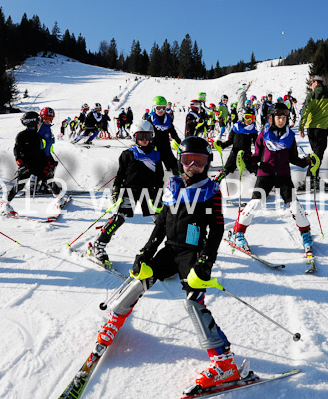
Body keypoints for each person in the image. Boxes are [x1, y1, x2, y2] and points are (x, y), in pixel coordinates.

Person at [94, 136, 244, 390]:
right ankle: (115, 320)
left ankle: (224, 363)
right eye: (188, 160)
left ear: (207, 164)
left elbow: (217, 230)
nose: (192, 167)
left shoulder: (210, 192)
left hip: (191, 254)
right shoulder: (173, 186)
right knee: (141, 277)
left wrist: (205, 262)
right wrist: (146, 251)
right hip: (170, 249)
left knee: (193, 301)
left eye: (199, 162)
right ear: (180, 160)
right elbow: (162, 223)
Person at [229, 103, 314, 254]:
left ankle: (306, 233)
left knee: (294, 205)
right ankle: (238, 232)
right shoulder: (263, 135)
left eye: (284, 118)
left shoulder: (290, 137)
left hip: (283, 175)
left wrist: (307, 161)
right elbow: (256, 155)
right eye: (278, 117)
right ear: (271, 118)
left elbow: (294, 158)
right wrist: (247, 160)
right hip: (265, 174)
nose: (281, 120)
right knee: (255, 204)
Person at [89, 119, 164, 267]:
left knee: (161, 222)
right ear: (134, 137)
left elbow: (159, 178)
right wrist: (116, 191)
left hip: (149, 193)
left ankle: (173, 251)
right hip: (129, 191)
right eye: (140, 136)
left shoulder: (156, 156)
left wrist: (159, 194)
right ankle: (97, 245)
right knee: (119, 218)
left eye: (147, 136)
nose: (144, 140)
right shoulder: (128, 154)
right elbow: (120, 175)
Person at [0, 112, 62, 215]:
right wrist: (21, 165)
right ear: (33, 122)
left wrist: (47, 164)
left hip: (39, 165)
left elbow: (41, 151)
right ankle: (4, 203)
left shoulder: (37, 136)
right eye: (38, 121)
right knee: (20, 185)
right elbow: (17, 152)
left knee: (49, 180)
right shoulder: (22, 136)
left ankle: (60, 199)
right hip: (27, 166)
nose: (39, 123)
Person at [298, 75, 328, 190]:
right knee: (318, 155)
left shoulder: (311, 95)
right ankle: (311, 179)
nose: (310, 86)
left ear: (315, 83)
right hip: (322, 130)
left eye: (311, 84)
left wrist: (301, 127)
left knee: (317, 154)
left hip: (311, 129)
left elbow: (305, 112)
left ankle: (313, 178)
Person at [215, 107, 258, 178]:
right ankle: (217, 182)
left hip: (246, 154)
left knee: (255, 169)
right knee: (227, 169)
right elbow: (230, 142)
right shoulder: (235, 128)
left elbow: (257, 144)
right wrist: (221, 145)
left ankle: (261, 184)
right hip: (235, 153)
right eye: (248, 117)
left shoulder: (253, 130)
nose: (249, 120)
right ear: (243, 117)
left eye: (252, 118)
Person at [146, 96, 181, 175]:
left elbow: (172, 130)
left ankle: (177, 177)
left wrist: (177, 139)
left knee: (172, 163)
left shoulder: (168, 119)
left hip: (165, 145)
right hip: (154, 146)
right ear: (154, 108)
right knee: (155, 167)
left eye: (163, 108)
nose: (161, 110)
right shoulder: (150, 119)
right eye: (158, 108)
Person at [36, 107, 58, 193]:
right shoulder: (41, 127)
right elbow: (37, 138)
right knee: (46, 170)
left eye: (50, 119)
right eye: (46, 118)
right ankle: (38, 186)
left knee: (52, 166)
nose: (48, 120)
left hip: (47, 153)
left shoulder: (47, 126)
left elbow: (47, 139)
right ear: (41, 117)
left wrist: (51, 142)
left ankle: (44, 185)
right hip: (42, 155)